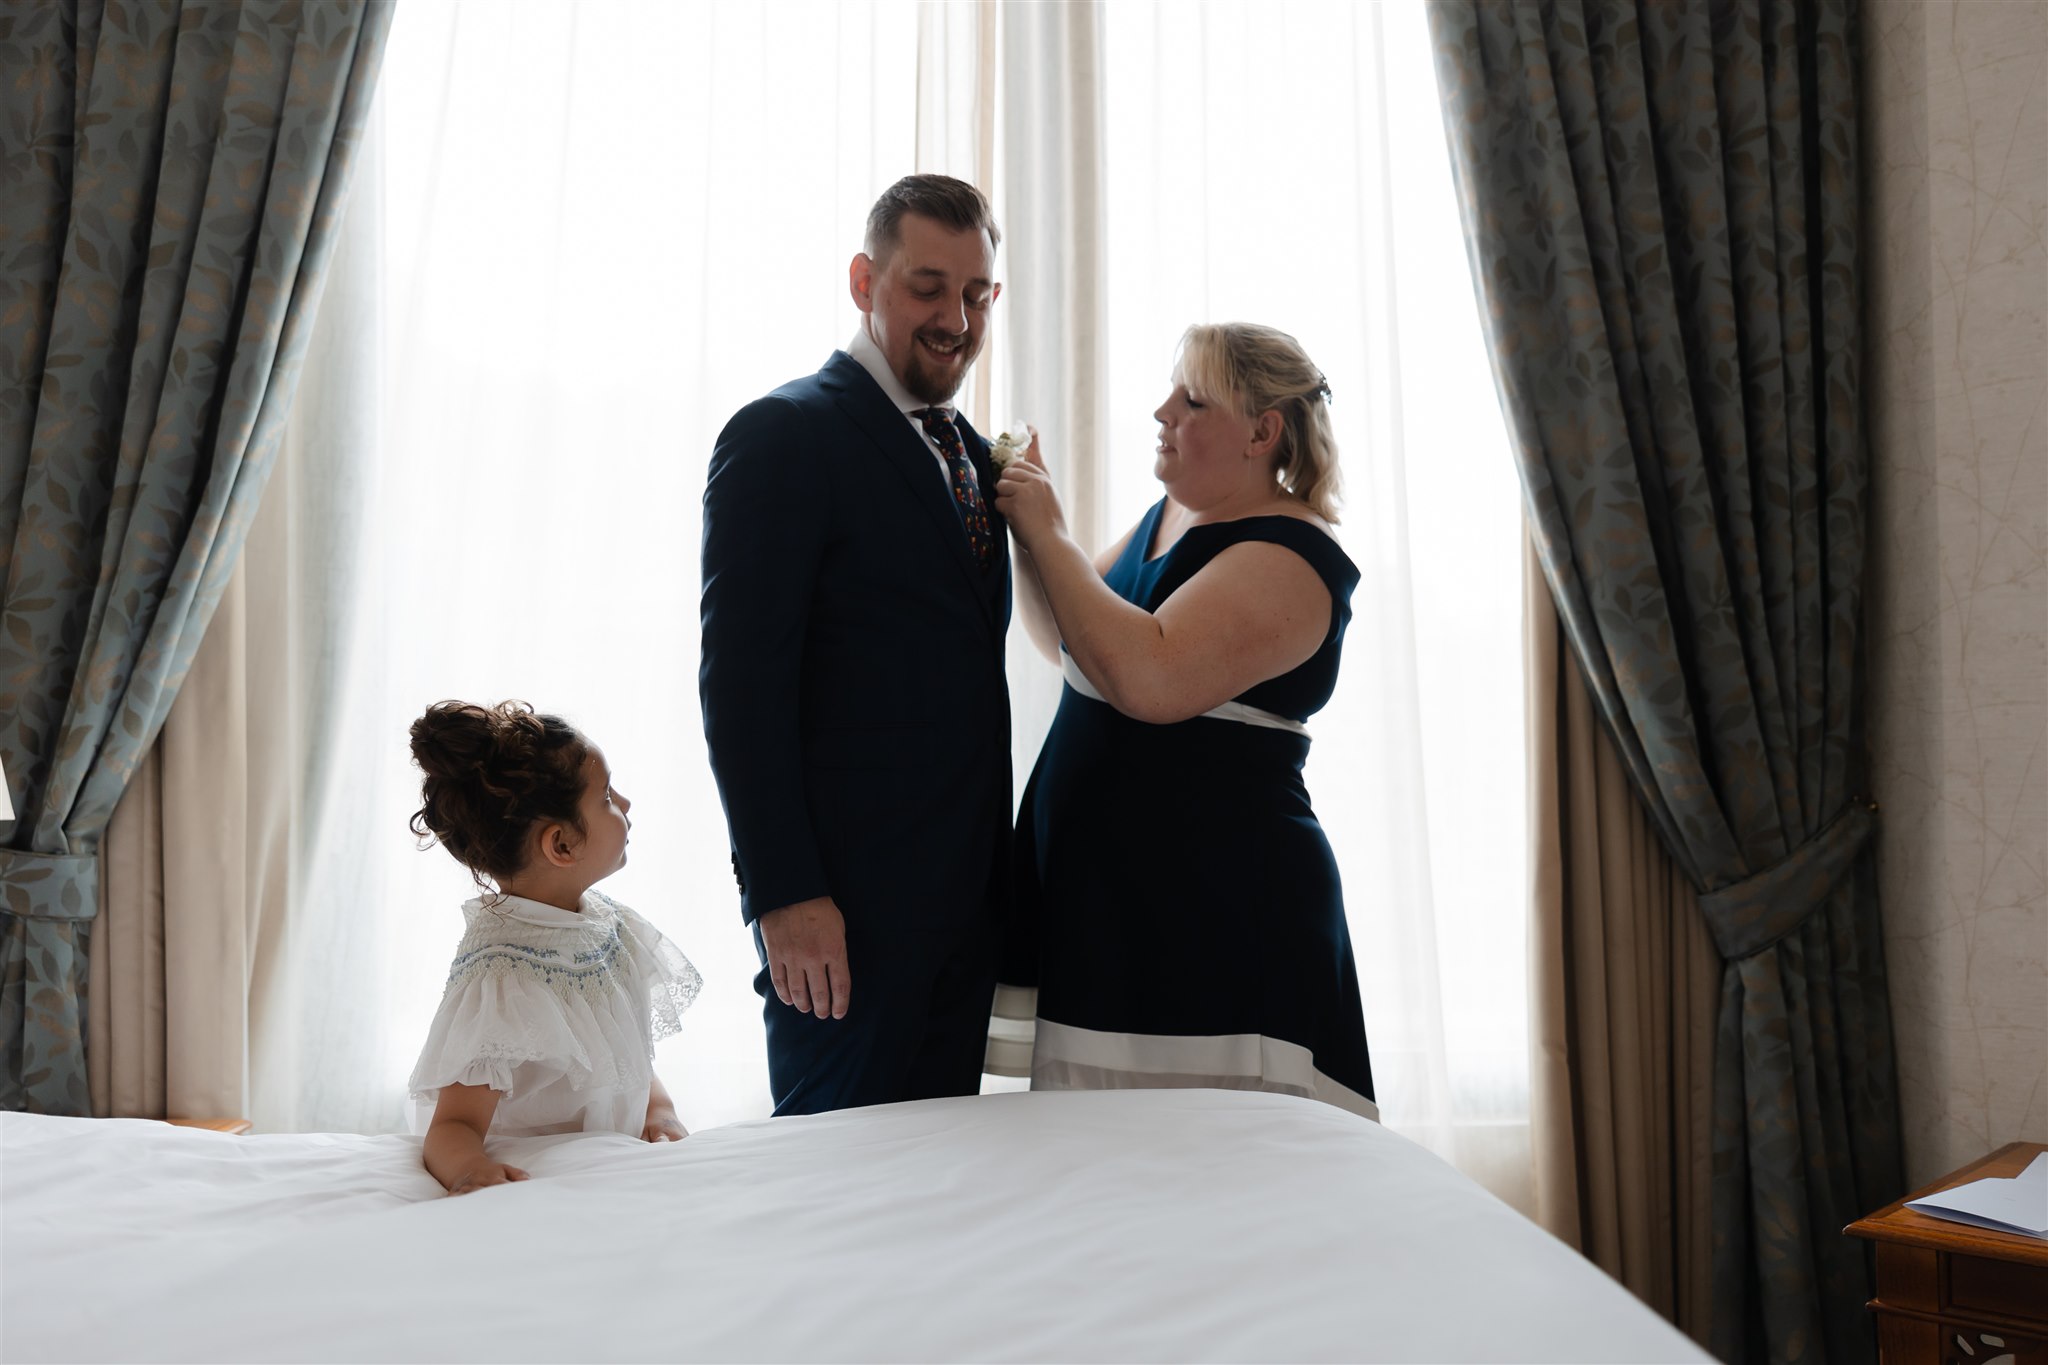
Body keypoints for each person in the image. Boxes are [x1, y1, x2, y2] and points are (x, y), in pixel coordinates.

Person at [992, 322, 1376, 1119]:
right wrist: (1030, 542)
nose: (1162, 411)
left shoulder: (1290, 553)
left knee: (1213, 1187)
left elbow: (1150, 676)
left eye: (1191, 399)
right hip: (1118, 913)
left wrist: (1051, 532)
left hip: (1219, 922)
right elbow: (1072, 641)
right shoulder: (1167, 517)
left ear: (1262, 432)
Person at [700, 174, 1013, 1116]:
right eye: (928, 286)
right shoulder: (783, 436)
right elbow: (741, 689)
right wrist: (785, 893)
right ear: (861, 280)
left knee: (935, 1212)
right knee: (830, 1212)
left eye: (977, 293)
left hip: (965, 917)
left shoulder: (973, 455)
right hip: (839, 926)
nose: (954, 316)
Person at [404, 700, 701, 1194]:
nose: (624, 804)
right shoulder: (503, 974)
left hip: (611, 1176)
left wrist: (659, 1110)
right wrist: (468, 1169)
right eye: (606, 796)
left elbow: (627, 1059)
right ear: (561, 845)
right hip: (542, 1182)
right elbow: (452, 1126)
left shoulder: (609, 924)